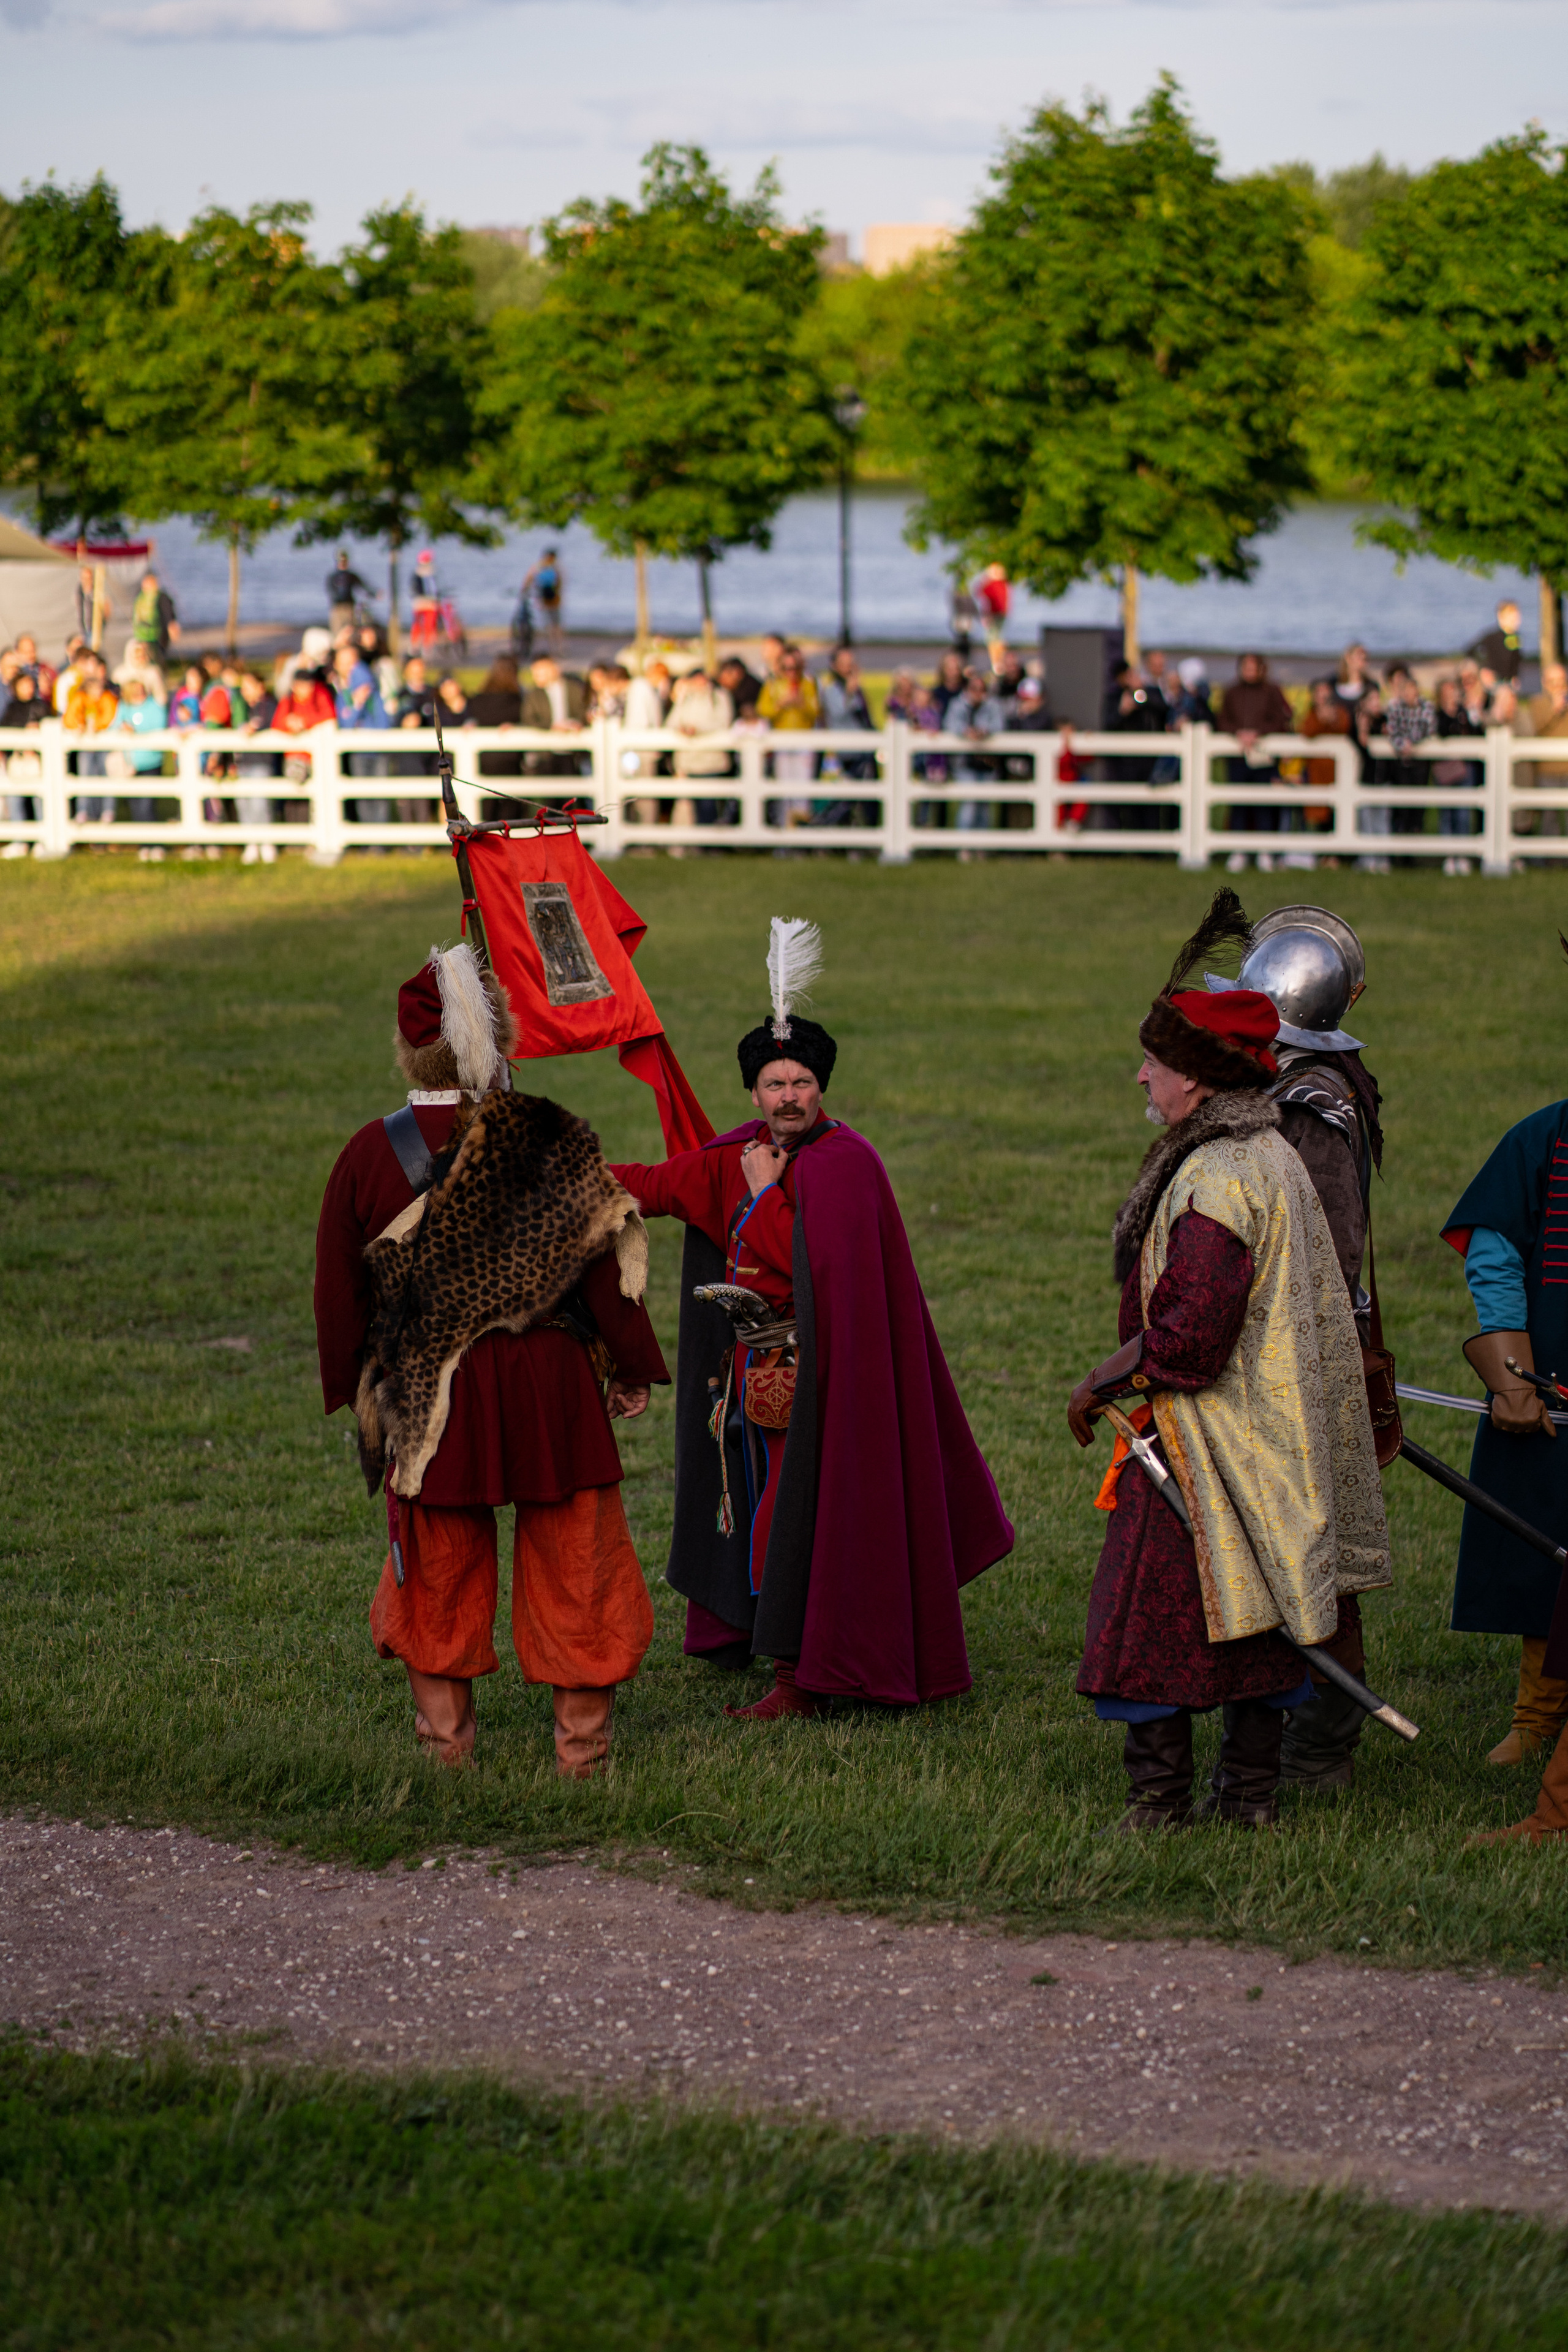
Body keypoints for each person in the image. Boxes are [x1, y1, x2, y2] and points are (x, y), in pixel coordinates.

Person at [609, 918, 1014, 1715]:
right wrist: (555, 1162)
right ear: (753, 1093)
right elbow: (651, 1186)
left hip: (828, 1380)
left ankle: (802, 1676)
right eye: (774, 1085)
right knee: (751, 1508)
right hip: (748, 1385)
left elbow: (806, 1261)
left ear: (820, 1087)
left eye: (800, 1084)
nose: (788, 1098)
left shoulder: (845, 1166)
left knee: (794, 1525)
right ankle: (753, 1633)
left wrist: (764, 1198)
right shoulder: (734, 1156)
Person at [1068, 891, 1390, 1830]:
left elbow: (1190, 1340)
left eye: (1156, 1063)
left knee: (1160, 1620)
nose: (1141, 1077)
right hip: (1258, 1436)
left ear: (1196, 1083)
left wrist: (1102, 1382)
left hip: (1207, 1443)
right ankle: (1248, 1804)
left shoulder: (1218, 1178)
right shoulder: (1263, 1155)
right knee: (1257, 1630)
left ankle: (1162, 1809)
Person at [315, 945, 666, 1773]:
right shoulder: (542, 1130)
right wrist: (632, 1364)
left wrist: (355, 1387)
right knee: (578, 1559)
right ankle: (582, 1756)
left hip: (429, 1393)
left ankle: (447, 1754)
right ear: (495, 1036)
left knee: (435, 1565)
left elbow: (340, 1293)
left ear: (412, 1051)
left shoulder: (370, 1153)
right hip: (549, 1382)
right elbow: (607, 1263)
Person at [1203, 904, 1390, 1793]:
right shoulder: (1310, 1080)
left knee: (1309, 1550)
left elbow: (1324, 1248)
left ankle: (1318, 1745)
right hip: (1283, 1348)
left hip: (1299, 1354)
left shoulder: (1311, 1102)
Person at [1439, 978, 1568, 1776]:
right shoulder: (1545, 1140)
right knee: (1544, 1554)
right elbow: (1494, 1252)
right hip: (1551, 1391)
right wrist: (1514, 1375)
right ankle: (1535, 1719)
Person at [1219, 653, 1293, 869]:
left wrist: (1258, 733)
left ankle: (1265, 851)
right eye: (1246, 667)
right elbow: (1222, 720)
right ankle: (1238, 851)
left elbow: (1281, 719)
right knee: (1238, 803)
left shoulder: (1272, 691)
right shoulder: (1232, 692)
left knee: (1264, 804)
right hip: (1238, 757)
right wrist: (1239, 733)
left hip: (1264, 757)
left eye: (1253, 667)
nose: (1249, 671)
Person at [756, 647, 820, 825]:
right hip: (781, 743)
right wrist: (781, 705)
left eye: (795, 668)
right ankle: (784, 832)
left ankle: (801, 834)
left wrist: (802, 704)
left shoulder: (808, 685)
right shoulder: (773, 686)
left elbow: (815, 712)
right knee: (783, 790)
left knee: (802, 790)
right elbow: (763, 710)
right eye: (787, 668)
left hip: (804, 743)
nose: (791, 673)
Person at [333, 639, 390, 824]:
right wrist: (357, 704)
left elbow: (384, 723)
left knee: (380, 793)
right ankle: (367, 836)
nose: (348, 668)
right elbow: (346, 724)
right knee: (362, 795)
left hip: (377, 750)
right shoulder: (343, 695)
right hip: (358, 752)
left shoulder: (373, 694)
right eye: (343, 663)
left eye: (351, 663)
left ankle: (380, 839)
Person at [1431, 674, 1483, 872]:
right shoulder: (1438, 715)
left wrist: (1470, 712)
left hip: (1464, 767)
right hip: (1445, 769)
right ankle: (1449, 855)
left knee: (1463, 813)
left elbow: (1476, 732)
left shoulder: (1465, 713)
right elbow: (1442, 733)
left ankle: (1462, 854)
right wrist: (1450, 713)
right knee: (1447, 813)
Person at [64, 653, 119, 821]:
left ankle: (108, 811)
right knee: (85, 776)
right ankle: (84, 811)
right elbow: (69, 717)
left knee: (105, 775)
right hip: (86, 746)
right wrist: (79, 726)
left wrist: (97, 726)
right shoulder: (80, 698)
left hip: (103, 746)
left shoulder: (107, 698)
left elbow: (111, 716)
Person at [1469, 599, 1524, 686]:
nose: (1517, 620)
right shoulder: (1492, 637)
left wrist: (1515, 676)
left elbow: (1515, 660)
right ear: (1500, 617)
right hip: (1494, 683)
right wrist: (1483, 668)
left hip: (1508, 683)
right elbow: (1471, 650)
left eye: (1517, 617)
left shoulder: (1515, 638)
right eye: (1512, 617)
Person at [131, 571, 179, 665]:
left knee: (157, 660)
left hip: (157, 636)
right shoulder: (139, 597)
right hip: (141, 635)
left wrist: (172, 627)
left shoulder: (161, 597)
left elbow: (168, 613)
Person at [523, 549, 564, 654]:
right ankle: (558, 648)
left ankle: (552, 647)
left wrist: (524, 591)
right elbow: (560, 584)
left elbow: (528, 580)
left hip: (544, 600)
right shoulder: (556, 568)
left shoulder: (538, 567)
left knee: (548, 625)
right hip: (553, 600)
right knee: (555, 625)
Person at [326, 552, 374, 635]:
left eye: (345, 561)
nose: (343, 563)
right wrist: (337, 599)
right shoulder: (333, 577)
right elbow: (331, 590)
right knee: (337, 631)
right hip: (338, 607)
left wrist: (374, 593)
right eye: (341, 561)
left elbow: (363, 585)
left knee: (350, 630)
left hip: (349, 607)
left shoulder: (351, 576)